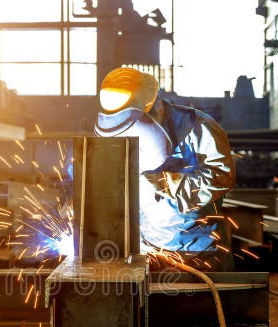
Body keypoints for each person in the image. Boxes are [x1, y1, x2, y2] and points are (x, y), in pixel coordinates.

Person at [94, 67, 236, 270]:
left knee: (205, 301)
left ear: (156, 106)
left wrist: (169, 183)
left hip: (200, 250)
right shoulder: (123, 131)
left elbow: (222, 177)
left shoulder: (199, 127)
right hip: (149, 248)